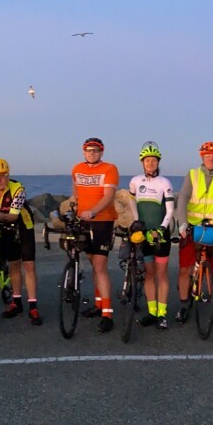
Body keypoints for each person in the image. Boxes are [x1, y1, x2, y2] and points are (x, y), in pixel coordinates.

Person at [176, 142, 213, 325]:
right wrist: (182, 223)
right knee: (185, 268)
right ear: (202, 157)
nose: (211, 159)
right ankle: (184, 306)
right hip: (193, 227)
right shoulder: (192, 174)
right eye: (207, 156)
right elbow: (183, 198)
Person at [0, 158, 40, 323]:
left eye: (3, 175)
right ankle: (17, 302)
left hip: (22, 226)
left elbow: (13, 215)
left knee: (28, 265)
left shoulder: (18, 189)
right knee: (13, 264)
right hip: (3, 225)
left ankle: (33, 307)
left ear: (8, 175)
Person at [72, 137, 121, 331]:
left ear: (102, 152)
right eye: (88, 150)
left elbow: (109, 197)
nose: (92, 153)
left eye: (95, 151)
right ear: (84, 152)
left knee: (100, 266)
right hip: (83, 221)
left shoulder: (110, 169)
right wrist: (74, 210)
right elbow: (76, 192)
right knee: (92, 262)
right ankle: (98, 303)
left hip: (102, 221)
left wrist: (93, 211)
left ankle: (108, 313)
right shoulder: (76, 169)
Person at [127, 142, 175, 329]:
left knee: (162, 274)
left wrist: (162, 228)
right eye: (147, 160)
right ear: (142, 162)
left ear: (158, 162)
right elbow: (132, 203)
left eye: (153, 160)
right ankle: (152, 311)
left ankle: (162, 314)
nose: (150, 163)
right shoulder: (135, 181)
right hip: (144, 233)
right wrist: (137, 221)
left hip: (160, 234)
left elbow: (170, 209)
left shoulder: (165, 182)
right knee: (149, 273)